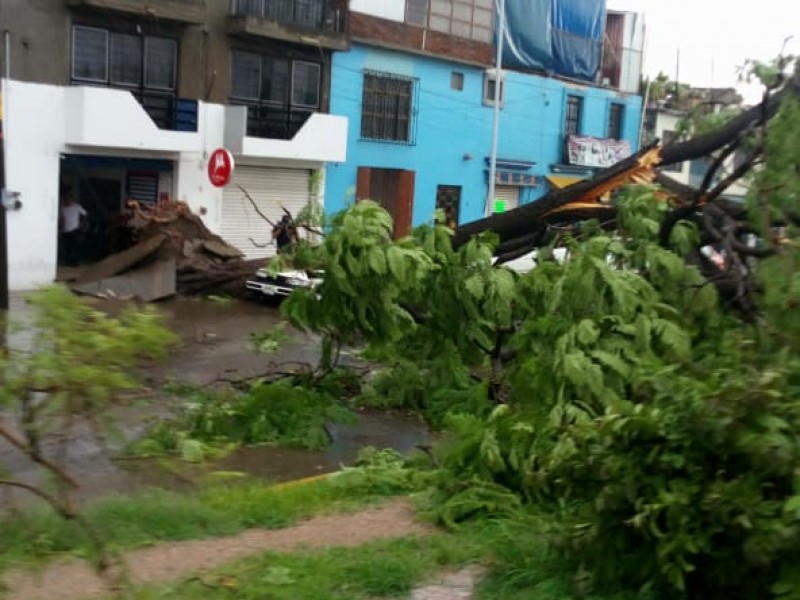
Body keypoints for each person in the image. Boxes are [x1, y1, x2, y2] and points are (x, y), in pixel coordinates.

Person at [59, 190, 88, 266]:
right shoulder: (63, 208)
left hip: (74, 230)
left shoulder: (77, 207)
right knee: (67, 247)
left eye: (68, 198)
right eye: (66, 198)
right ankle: (68, 262)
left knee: (74, 247)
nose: (67, 200)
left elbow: (85, 215)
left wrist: (82, 224)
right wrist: (61, 228)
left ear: (71, 199)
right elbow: (62, 219)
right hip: (65, 230)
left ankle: (75, 262)